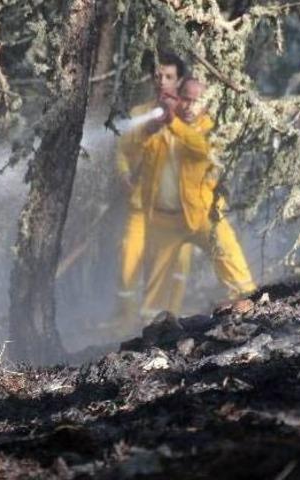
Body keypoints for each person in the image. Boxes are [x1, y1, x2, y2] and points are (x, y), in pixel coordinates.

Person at [137, 78, 257, 315]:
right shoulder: (159, 127)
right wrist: (150, 129)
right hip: (164, 220)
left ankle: (251, 305)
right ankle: (153, 332)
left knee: (229, 257)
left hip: (203, 213)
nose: (190, 107)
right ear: (177, 99)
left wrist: (174, 124)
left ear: (205, 104)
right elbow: (139, 153)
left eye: (197, 101)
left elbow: (201, 150)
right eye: (186, 99)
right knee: (156, 287)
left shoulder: (210, 130)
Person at [112, 51, 193, 332]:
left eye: (169, 76)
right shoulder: (139, 115)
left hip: (177, 210)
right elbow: (124, 152)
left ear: (180, 80)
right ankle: (128, 321)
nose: (162, 82)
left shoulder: (189, 114)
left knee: (178, 265)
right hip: (141, 206)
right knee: (127, 260)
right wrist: (124, 173)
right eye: (158, 76)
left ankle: (171, 323)